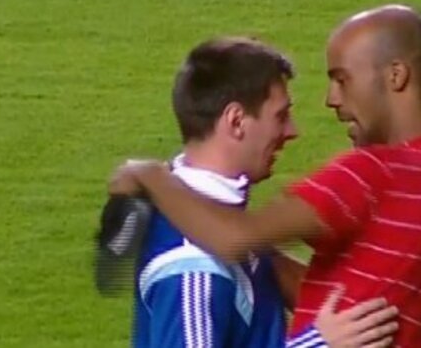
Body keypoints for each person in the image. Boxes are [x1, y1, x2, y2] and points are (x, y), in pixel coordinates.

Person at [110, 5, 421, 347]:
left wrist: (147, 174)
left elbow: (235, 240)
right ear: (236, 121)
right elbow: (354, 298)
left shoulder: (374, 174)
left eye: (342, 79)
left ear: (396, 75)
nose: (331, 99)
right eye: (282, 116)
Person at [128, 37, 399, 347]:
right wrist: (318, 345)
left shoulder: (205, 211)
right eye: (281, 117)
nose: (292, 131)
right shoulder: (193, 270)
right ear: (236, 121)